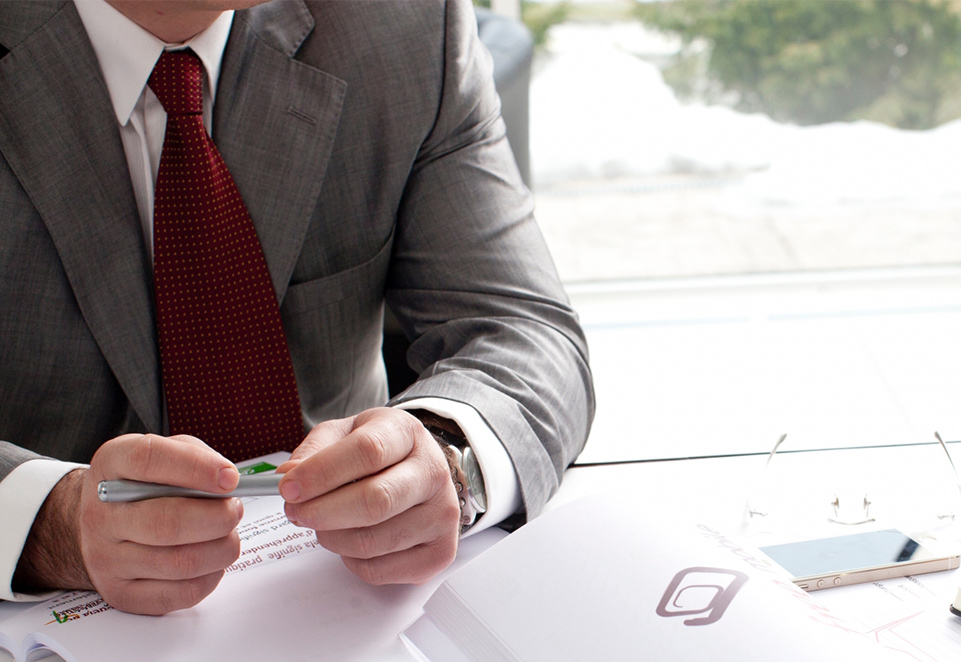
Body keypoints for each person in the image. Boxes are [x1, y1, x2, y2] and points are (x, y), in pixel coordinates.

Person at [0, 0, 594, 616]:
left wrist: (447, 456)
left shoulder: (404, 24)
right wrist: (47, 525)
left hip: (345, 601)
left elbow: (524, 330)